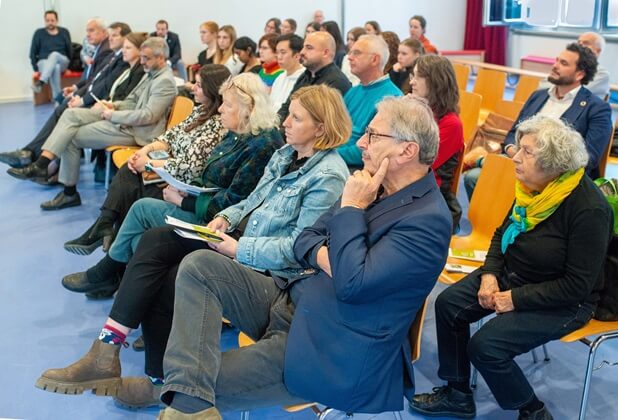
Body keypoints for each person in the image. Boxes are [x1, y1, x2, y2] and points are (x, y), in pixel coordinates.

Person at [36, 85, 349, 411]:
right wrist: (226, 218)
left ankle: (139, 371)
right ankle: (116, 354)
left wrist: (239, 248)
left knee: (168, 270)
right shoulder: (286, 154)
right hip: (240, 240)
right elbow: (253, 200)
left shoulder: (327, 176)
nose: (285, 122)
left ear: (321, 127)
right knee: (158, 246)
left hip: (272, 270)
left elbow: (299, 248)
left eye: (296, 118)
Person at [157, 96, 451, 418]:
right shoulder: (371, 184)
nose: (362, 143)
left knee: (193, 389)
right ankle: (184, 395)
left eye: (373, 136)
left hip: (331, 347)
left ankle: (182, 400)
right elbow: (305, 239)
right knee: (201, 266)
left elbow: (353, 283)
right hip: (291, 300)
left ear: (407, 151)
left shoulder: (427, 220)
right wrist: (335, 260)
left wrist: (352, 210)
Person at [411, 115, 613, 420]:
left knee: (485, 346)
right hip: (515, 274)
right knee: (449, 304)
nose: (514, 157)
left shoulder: (589, 209)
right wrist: (490, 273)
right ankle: (457, 394)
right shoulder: (532, 190)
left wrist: (515, 299)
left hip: (565, 301)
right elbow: (500, 234)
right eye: (518, 148)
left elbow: (576, 286)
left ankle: (533, 411)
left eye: (526, 152)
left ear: (554, 163)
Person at [60, 71, 283, 298]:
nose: (220, 109)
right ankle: (112, 267)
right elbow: (192, 158)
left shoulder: (257, 142)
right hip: (194, 196)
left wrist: (182, 196)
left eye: (227, 104)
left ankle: (106, 270)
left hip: (216, 223)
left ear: (247, 108)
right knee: (134, 207)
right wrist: (153, 158)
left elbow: (228, 198)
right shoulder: (235, 129)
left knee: (140, 210)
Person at [63, 64, 231, 258]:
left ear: (212, 89)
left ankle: (105, 234)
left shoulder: (219, 124)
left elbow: (191, 168)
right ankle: (106, 229)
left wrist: (151, 164)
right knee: (131, 171)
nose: (192, 87)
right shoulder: (200, 111)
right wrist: (145, 152)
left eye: (199, 85)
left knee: (131, 185)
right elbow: (170, 137)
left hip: (181, 186)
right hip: (169, 172)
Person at [8, 37, 177, 210]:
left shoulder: (164, 82)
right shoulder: (151, 74)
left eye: (146, 58)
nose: (142, 61)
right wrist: (114, 105)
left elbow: (147, 116)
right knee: (70, 114)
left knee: (70, 137)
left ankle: (65, 189)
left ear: (161, 58)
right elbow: (133, 100)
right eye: (141, 57)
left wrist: (114, 115)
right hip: (128, 124)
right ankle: (43, 165)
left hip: (137, 132)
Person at [463, 43, 612, 198]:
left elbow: (590, 157)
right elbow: (513, 132)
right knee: (473, 177)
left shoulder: (596, 108)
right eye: (556, 60)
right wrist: (511, 150)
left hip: (554, 175)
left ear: (580, 74)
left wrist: (537, 163)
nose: (555, 66)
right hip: (517, 160)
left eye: (563, 63)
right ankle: (494, 220)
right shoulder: (538, 96)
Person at [0, 22, 129, 173]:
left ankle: (39, 161)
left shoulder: (110, 52)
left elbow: (102, 85)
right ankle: (39, 159)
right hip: (93, 97)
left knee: (65, 109)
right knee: (62, 102)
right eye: (87, 30)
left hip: (101, 104)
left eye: (92, 30)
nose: (88, 34)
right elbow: (94, 78)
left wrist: (81, 99)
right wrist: (76, 89)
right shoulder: (109, 52)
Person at [410, 55, 464, 230]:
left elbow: (421, 163)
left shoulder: (451, 123)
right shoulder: (420, 111)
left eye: (418, 76)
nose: (412, 82)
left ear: (435, 82)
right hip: (409, 186)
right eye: (412, 75)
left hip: (429, 195)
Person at [337, 34, 402, 169]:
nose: (349, 57)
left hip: (359, 169)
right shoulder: (353, 91)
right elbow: (334, 129)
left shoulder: (392, 99)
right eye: (350, 52)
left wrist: (327, 154)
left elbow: (372, 149)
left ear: (374, 60)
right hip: (337, 160)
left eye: (357, 53)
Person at [277, 31, 351, 122]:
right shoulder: (305, 75)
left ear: (325, 53)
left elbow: (318, 122)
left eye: (309, 48)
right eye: (303, 47)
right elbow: (287, 106)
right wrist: (274, 127)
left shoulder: (337, 82)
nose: (302, 52)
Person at [30, 10, 72, 99]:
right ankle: (58, 100)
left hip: (62, 61)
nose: (50, 23)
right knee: (55, 67)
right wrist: (35, 69)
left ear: (57, 20)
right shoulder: (39, 33)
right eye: (47, 20)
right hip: (44, 63)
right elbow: (32, 52)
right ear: (45, 21)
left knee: (55, 54)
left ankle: (41, 82)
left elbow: (70, 50)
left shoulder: (64, 32)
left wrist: (69, 67)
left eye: (52, 20)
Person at [270, 34, 305, 112]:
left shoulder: (304, 79)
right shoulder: (279, 77)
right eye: (277, 52)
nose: (279, 57)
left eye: (283, 52)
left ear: (297, 56)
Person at [185, 21, 219, 89]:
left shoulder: (220, 54)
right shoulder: (202, 54)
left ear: (214, 34)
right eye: (200, 33)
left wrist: (193, 86)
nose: (201, 35)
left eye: (204, 32)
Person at [577, 32, 610, 99]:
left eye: (586, 43)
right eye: (579, 42)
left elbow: (576, 93)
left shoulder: (601, 74)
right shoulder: (573, 66)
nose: (580, 45)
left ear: (597, 51)